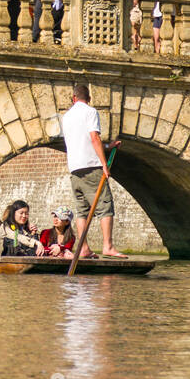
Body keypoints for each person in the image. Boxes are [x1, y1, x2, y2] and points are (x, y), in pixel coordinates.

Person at [62, 82, 124, 258]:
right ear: (88, 99)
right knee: (105, 206)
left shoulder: (66, 117)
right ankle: (108, 246)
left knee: (82, 210)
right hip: (91, 167)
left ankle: (83, 248)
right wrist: (104, 164)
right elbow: (93, 137)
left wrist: (108, 145)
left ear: (74, 98)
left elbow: (83, 141)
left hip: (74, 170)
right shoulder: (90, 112)